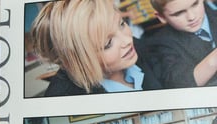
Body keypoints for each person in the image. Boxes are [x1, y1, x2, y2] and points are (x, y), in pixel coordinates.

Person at [30, 0, 163, 96]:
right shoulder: (63, 98)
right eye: (108, 44)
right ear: (76, 61)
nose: (128, 40)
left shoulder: (143, 49)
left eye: (122, 24)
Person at [143, 0, 217, 88]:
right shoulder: (159, 44)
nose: (192, 17)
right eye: (178, 13)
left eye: (195, 4)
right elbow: (178, 82)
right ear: (161, 17)